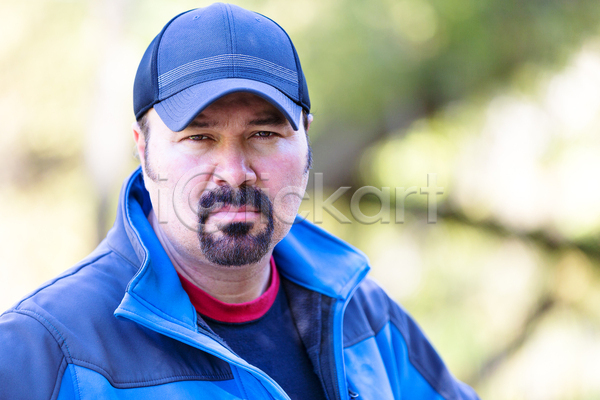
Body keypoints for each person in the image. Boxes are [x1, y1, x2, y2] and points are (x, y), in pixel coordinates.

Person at [0, 3, 479, 399]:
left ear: (306, 141)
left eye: (265, 133)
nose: (234, 172)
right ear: (143, 150)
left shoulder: (364, 317)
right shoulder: (43, 351)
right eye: (200, 138)